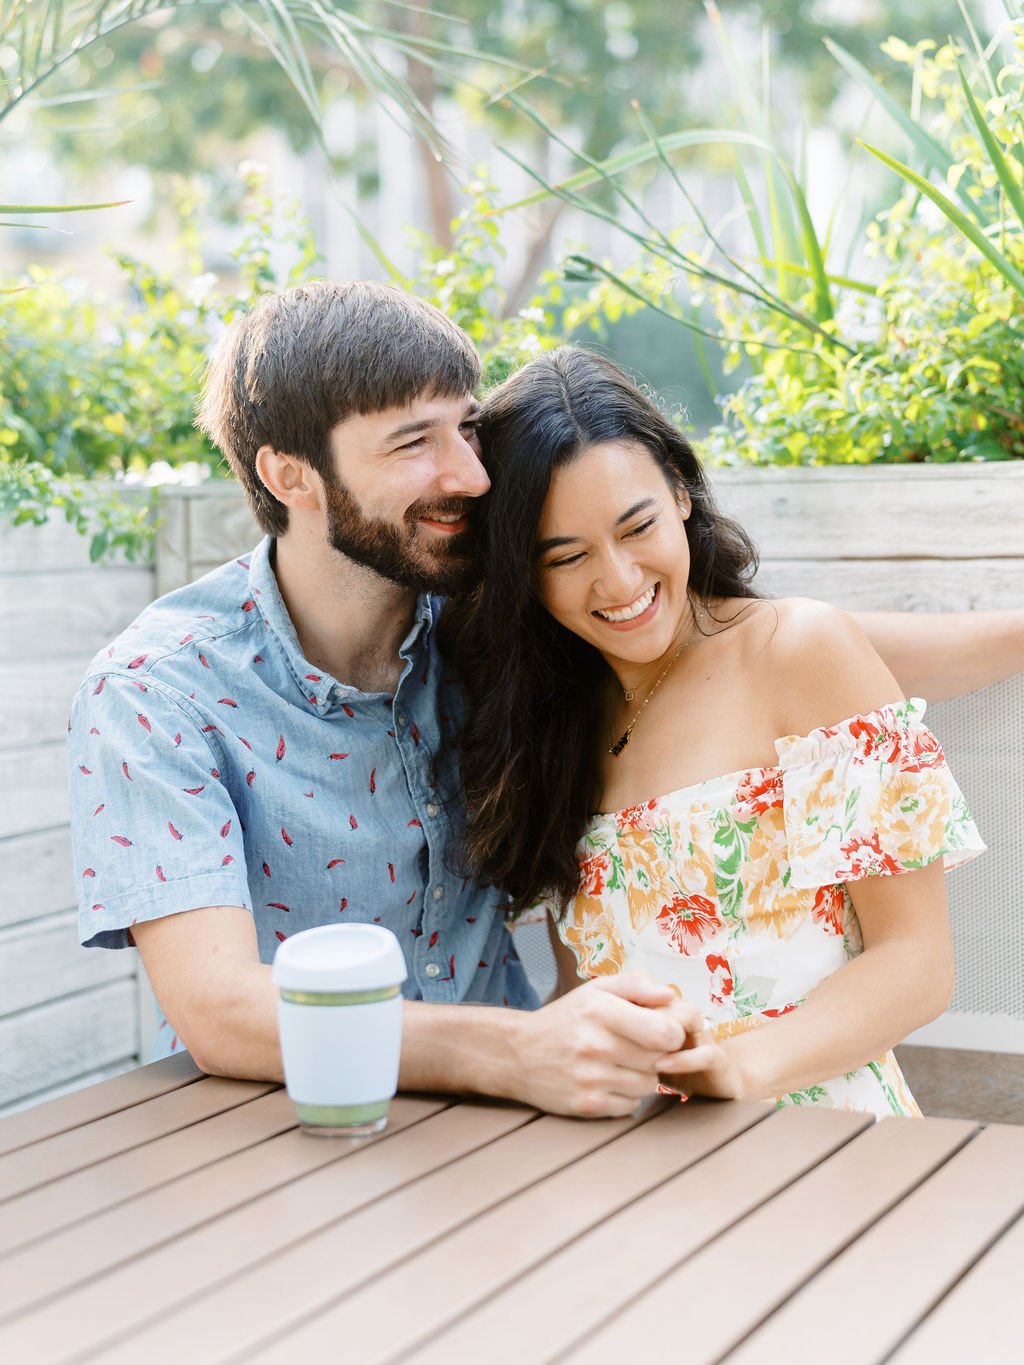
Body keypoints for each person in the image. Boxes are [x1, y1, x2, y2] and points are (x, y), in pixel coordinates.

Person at [67, 281, 1013, 1119]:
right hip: (296, 1133)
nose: (470, 476)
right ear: (289, 475)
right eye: (414, 444)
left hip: (566, 1129)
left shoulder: (495, 637)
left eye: (466, 430)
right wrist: (522, 1053)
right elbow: (221, 1012)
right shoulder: (162, 693)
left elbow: (739, 643)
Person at [446, 346, 987, 1116]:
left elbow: (918, 961)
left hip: (819, 1137)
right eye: (568, 557)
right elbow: (581, 992)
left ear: (681, 494)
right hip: (630, 1154)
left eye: (638, 527)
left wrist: (735, 1065)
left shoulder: (800, 651)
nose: (621, 581)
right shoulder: (549, 725)